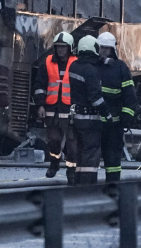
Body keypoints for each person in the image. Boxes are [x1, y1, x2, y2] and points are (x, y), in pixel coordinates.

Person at [33, 31, 77, 181]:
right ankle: (54, 163)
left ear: (70, 48)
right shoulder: (47, 62)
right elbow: (39, 85)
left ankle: (71, 171)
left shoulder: (76, 63)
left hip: (70, 110)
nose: (61, 50)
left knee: (72, 144)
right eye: (58, 47)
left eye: (64, 47)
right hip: (51, 108)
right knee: (53, 140)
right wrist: (40, 105)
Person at [68, 35, 112, 185]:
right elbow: (95, 98)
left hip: (75, 117)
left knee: (80, 151)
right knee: (91, 152)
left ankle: (78, 181)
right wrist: (107, 114)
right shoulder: (91, 70)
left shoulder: (74, 66)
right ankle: (87, 185)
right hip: (90, 120)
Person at [96, 32, 137, 182]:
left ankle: (113, 183)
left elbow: (129, 93)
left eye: (107, 48)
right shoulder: (92, 66)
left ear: (113, 49)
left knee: (112, 154)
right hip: (93, 120)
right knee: (91, 154)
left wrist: (127, 114)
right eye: (102, 48)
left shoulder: (120, 67)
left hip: (114, 121)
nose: (104, 51)